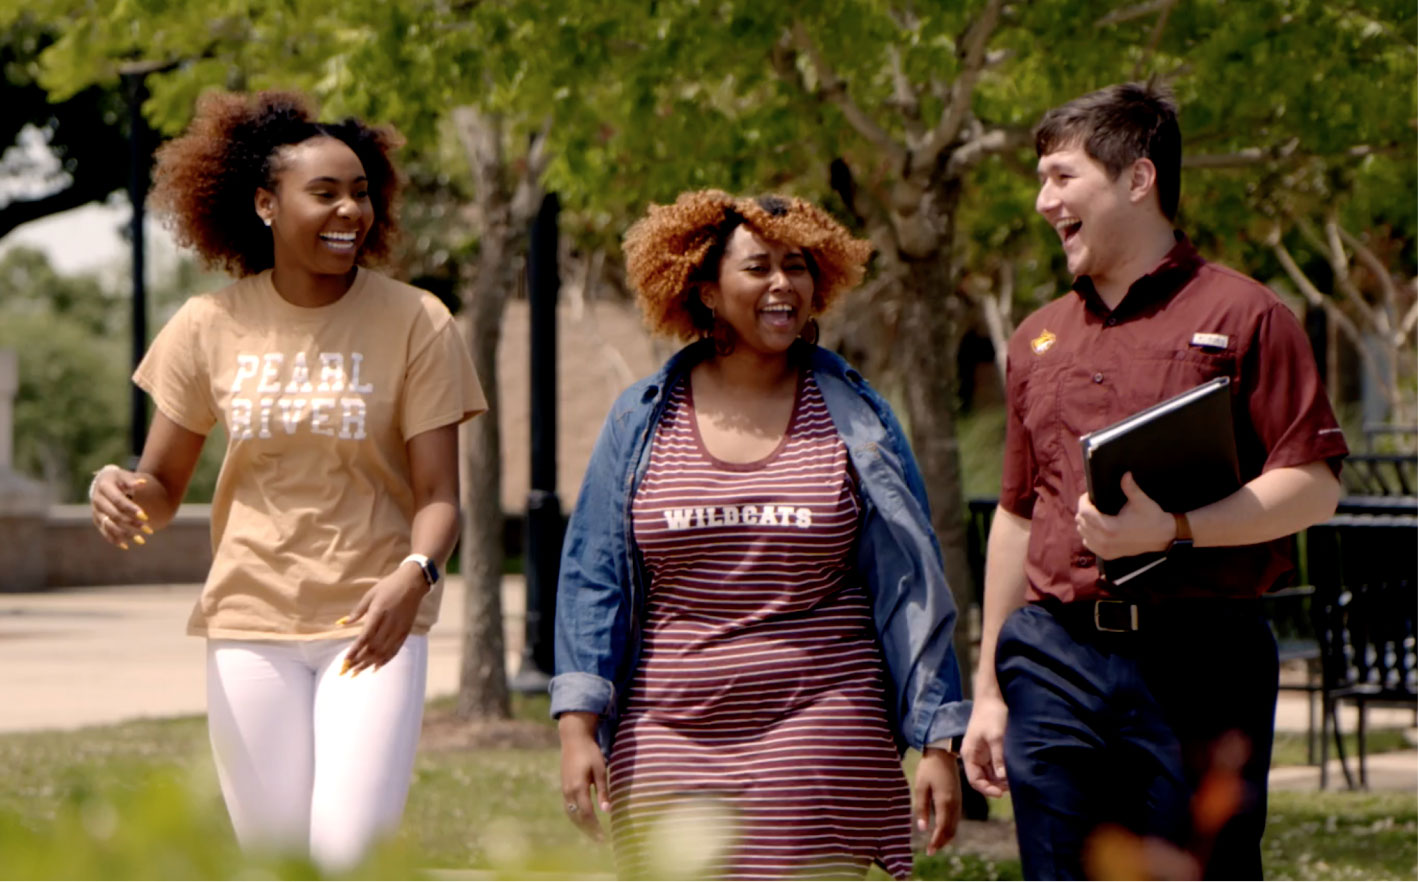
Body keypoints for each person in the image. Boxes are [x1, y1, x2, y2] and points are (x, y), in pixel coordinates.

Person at [86, 90, 486, 870]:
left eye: (362, 191)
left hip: (373, 623)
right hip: (249, 626)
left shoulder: (416, 321)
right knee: (274, 864)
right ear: (266, 204)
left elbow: (440, 494)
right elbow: (161, 488)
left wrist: (417, 574)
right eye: (326, 192)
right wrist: (121, 492)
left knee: (346, 858)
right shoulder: (209, 323)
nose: (351, 211)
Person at [959, 83, 1348, 880]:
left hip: (1204, 660)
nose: (1043, 202)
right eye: (1041, 180)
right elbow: (1018, 515)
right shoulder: (1036, 337)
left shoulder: (1248, 315)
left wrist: (1172, 531)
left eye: (1063, 178)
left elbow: (1312, 485)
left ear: (1139, 180)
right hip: (1053, 656)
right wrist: (990, 690)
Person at [550, 190, 969, 879]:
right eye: (758, 268)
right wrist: (577, 729)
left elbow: (911, 585)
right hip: (668, 726)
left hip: (821, 714)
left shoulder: (858, 418)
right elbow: (593, 574)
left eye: (797, 265)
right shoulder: (641, 419)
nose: (783, 284)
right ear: (708, 290)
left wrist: (937, 741)